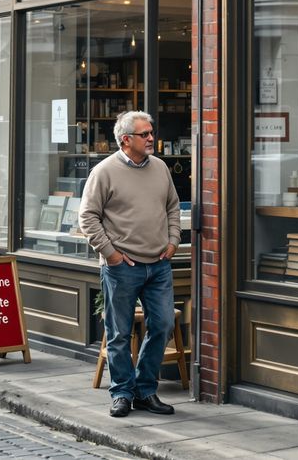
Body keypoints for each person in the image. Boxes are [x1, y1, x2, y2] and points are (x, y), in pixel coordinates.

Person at [79, 110, 180, 419]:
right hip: (122, 266)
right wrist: (110, 253)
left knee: (163, 324)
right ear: (126, 140)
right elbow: (87, 217)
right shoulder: (104, 172)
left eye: (151, 132)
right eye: (145, 134)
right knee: (120, 333)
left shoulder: (160, 167)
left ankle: (146, 390)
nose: (152, 138)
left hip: (158, 264)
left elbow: (173, 206)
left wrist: (173, 240)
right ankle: (122, 392)